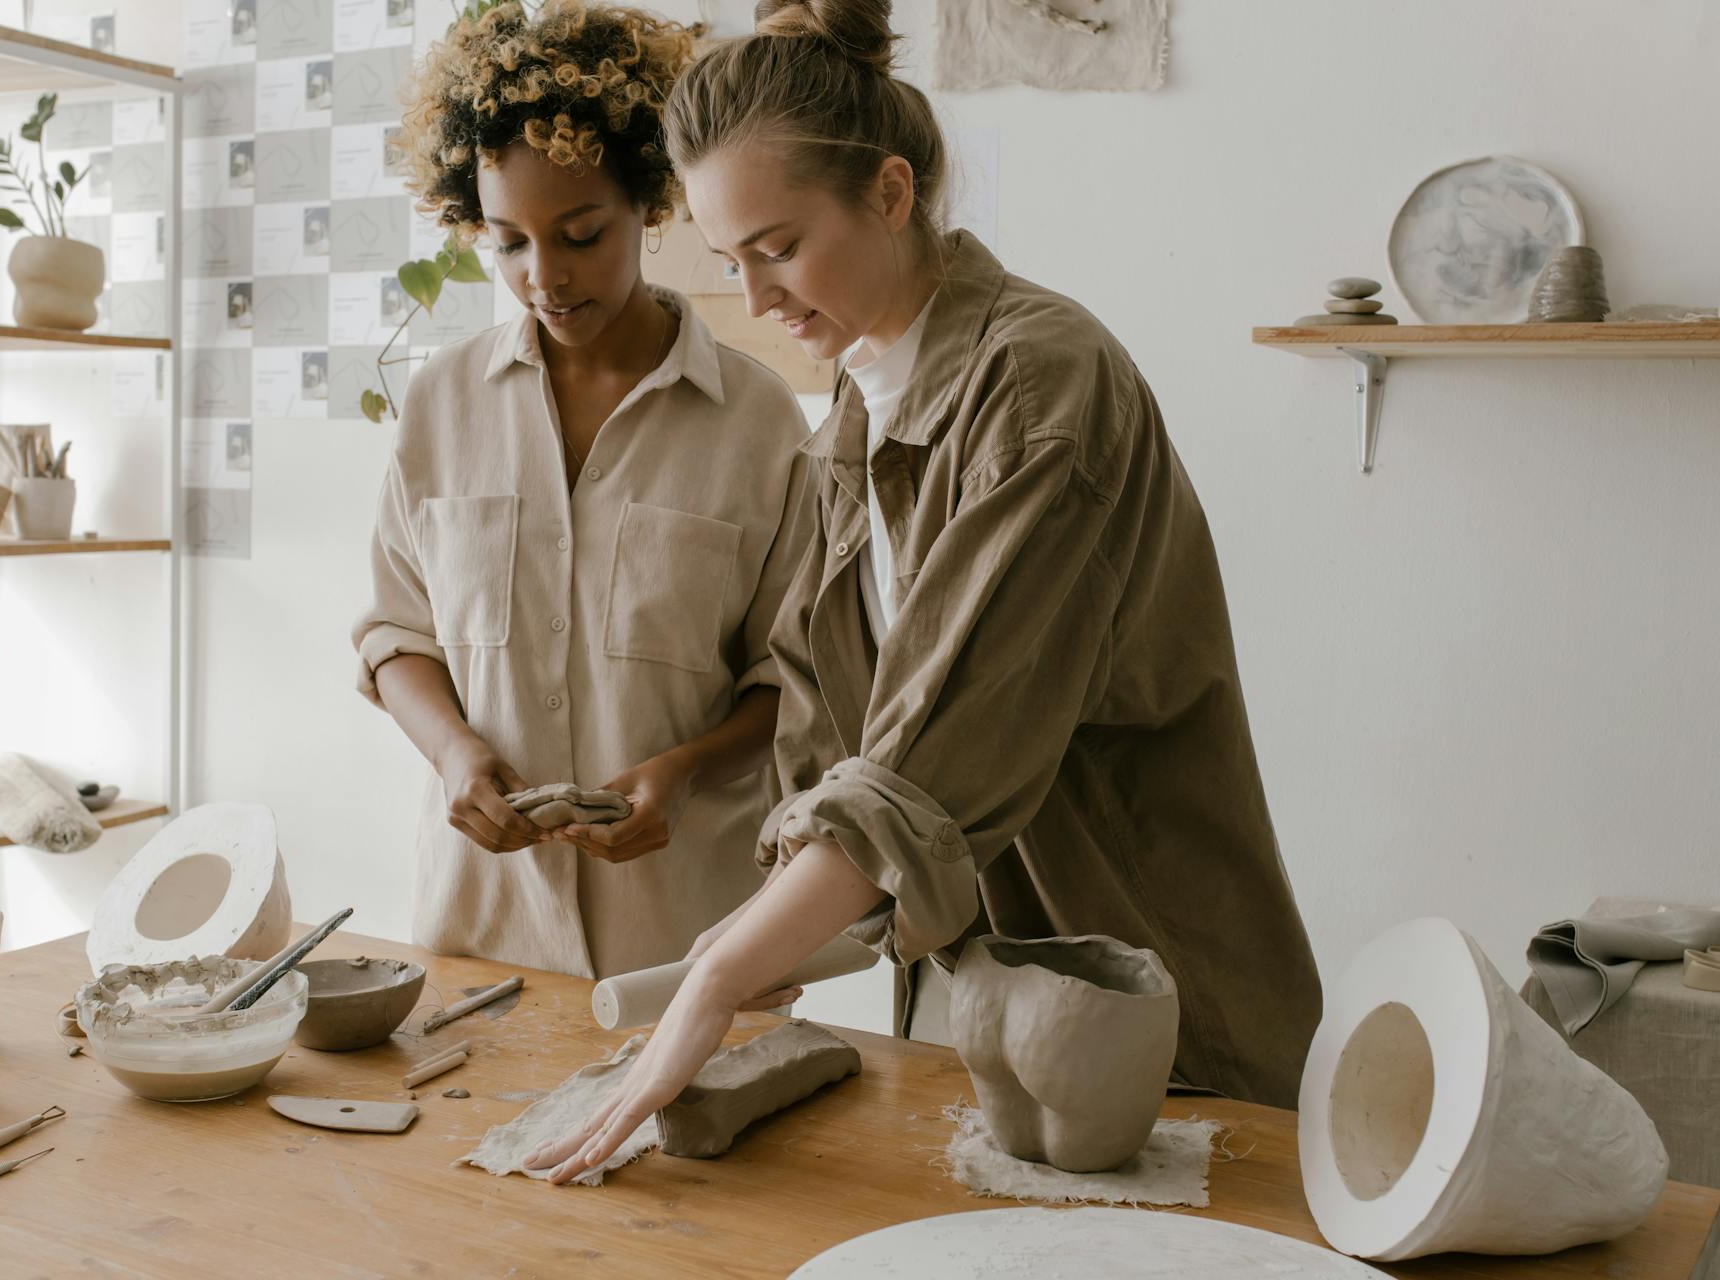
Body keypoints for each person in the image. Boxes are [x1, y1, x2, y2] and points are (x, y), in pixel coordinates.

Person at [526, 0, 1322, 1183]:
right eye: (731, 258)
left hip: (1157, 1013)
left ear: (891, 194)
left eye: (780, 246)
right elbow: (832, 728)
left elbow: (926, 767)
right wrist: (786, 923)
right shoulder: (857, 410)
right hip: (1004, 1023)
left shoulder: (1044, 390)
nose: (757, 297)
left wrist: (720, 974)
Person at [353, 1, 814, 982]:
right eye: (510, 242)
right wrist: (452, 753)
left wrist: (686, 773)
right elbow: (396, 638)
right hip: (482, 938)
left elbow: (798, 680)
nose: (545, 277)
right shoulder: (440, 404)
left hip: (690, 953)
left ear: (648, 201)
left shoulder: (759, 423)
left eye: (580, 232)